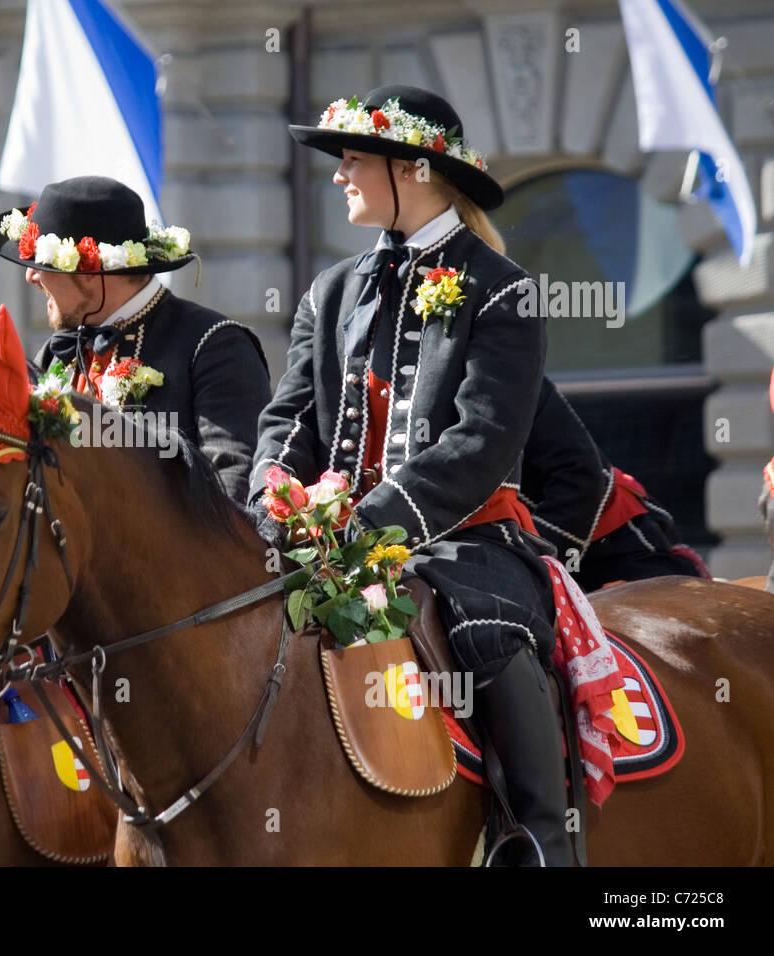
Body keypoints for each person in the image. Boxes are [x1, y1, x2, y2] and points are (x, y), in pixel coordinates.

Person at [250, 86, 573, 865]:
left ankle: (537, 838)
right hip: (327, 541)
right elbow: (290, 422)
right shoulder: (330, 293)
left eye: (354, 160)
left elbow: (485, 440)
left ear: (413, 169)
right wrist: (272, 494)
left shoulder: (502, 288)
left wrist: (371, 523)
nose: (339, 176)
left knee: (487, 636)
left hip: (466, 539)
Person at [0, 176, 272, 504]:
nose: (31, 276)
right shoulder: (53, 355)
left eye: (41, 263)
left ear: (90, 273)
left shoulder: (214, 345)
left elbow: (230, 496)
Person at [521, 376, 705, 590]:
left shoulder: (513, 376)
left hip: (619, 551)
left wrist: (526, 559)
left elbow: (580, 478)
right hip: (533, 560)